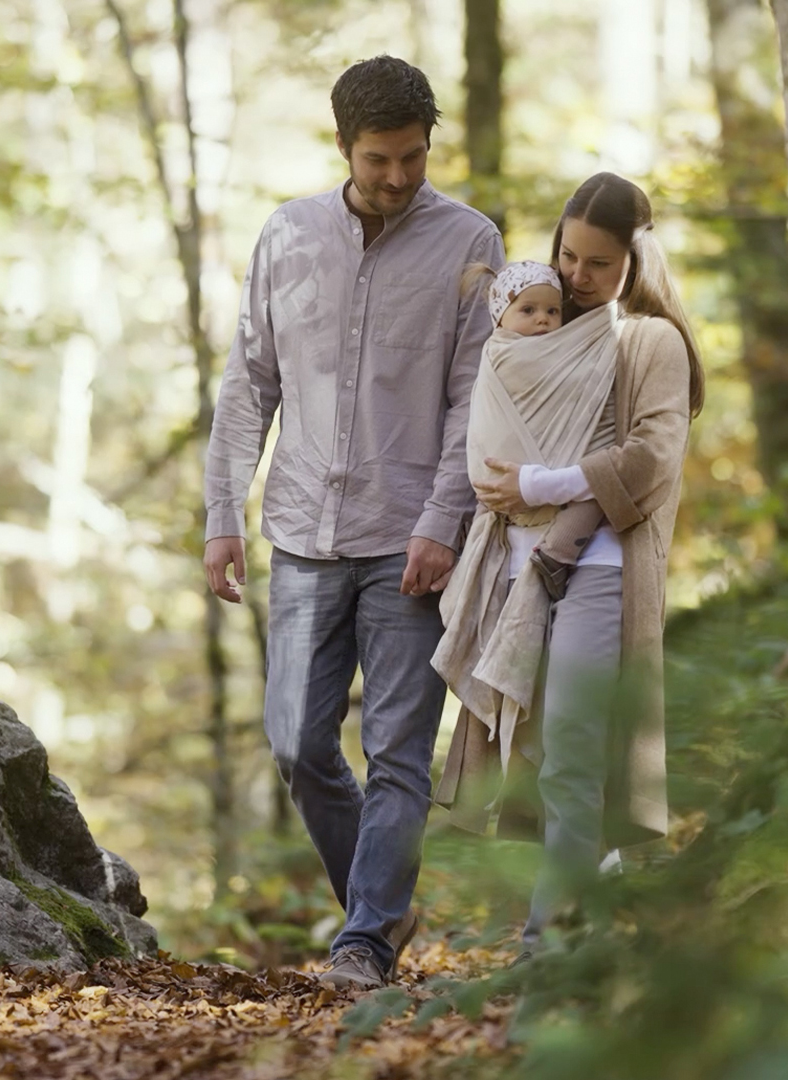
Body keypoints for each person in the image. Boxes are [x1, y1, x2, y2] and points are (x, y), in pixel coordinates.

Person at [202, 56, 503, 991]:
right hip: (301, 532)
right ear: (344, 147)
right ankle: (381, 905)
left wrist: (443, 521)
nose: (399, 177)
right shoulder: (287, 237)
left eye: (414, 157)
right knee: (295, 740)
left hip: (411, 536)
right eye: (380, 159)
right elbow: (250, 381)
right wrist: (224, 514)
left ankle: (365, 943)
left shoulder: (470, 242)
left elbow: (474, 402)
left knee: (400, 750)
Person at [433, 172, 703, 961]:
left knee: (576, 749)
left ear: (634, 263)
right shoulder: (538, 326)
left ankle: (547, 941)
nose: (578, 278)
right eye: (569, 257)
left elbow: (650, 456)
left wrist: (537, 486)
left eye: (599, 265)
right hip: (517, 568)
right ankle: (591, 910)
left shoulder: (648, 340)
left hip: (602, 566)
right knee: (536, 754)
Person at [458, 259, 610, 601]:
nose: (543, 318)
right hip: (509, 494)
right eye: (528, 310)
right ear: (500, 317)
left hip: (553, 492)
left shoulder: (565, 352)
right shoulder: (501, 353)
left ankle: (560, 550)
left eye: (553, 311)